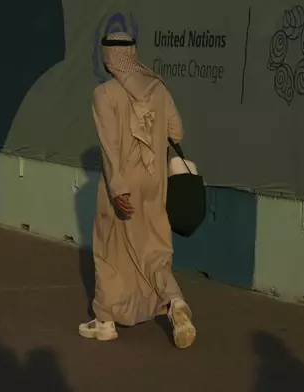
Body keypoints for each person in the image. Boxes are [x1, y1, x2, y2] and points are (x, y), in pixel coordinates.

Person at [78, 32, 196, 349]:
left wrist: (117, 188)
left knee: (109, 249)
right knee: (155, 250)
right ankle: (175, 302)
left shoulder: (103, 94)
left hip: (123, 184)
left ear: (108, 57)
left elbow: (109, 147)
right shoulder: (158, 87)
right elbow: (177, 131)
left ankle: (104, 321)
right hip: (155, 182)